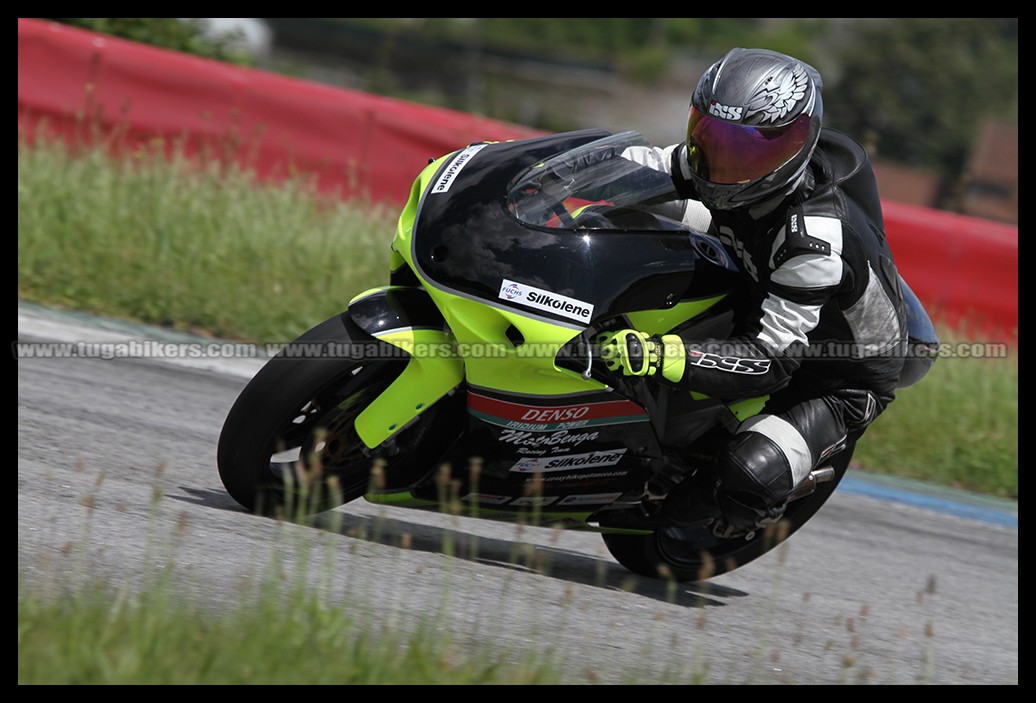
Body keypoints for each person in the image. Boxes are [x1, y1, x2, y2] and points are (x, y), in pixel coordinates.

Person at [596, 47, 909, 539]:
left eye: (748, 151)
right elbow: (637, 169)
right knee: (623, 213)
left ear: (795, 148)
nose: (724, 164)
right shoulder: (713, 166)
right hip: (757, 277)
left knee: (731, 486)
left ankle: (754, 506)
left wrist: (656, 354)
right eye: (714, 140)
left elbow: (771, 360)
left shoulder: (815, 242)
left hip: (828, 370)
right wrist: (534, 174)